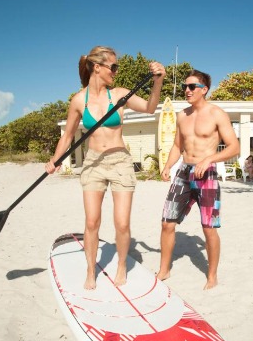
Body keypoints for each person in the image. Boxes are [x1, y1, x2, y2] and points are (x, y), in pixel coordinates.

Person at [45, 46, 166, 289]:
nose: (116, 72)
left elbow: (150, 108)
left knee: (121, 222)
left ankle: (121, 265)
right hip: (93, 163)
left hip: (120, 160)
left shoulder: (119, 94)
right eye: (114, 66)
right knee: (92, 222)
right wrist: (55, 160)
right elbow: (67, 136)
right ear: (97, 68)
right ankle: (91, 271)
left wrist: (157, 82)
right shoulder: (79, 100)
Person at [158, 69, 240, 289]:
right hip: (184, 173)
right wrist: (167, 166)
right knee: (167, 223)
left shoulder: (217, 114)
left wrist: (210, 159)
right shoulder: (181, 115)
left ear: (204, 90)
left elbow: (234, 147)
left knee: (208, 227)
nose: (187, 90)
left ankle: (211, 275)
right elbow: (177, 145)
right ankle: (164, 270)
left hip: (207, 175)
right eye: (185, 86)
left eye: (192, 87)